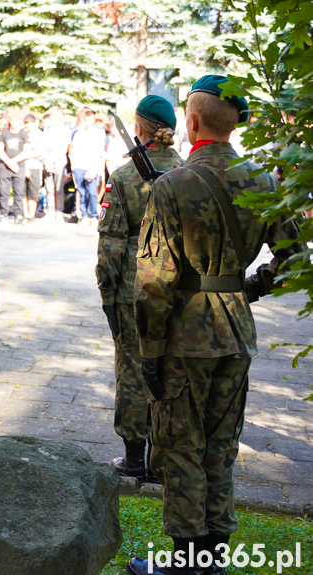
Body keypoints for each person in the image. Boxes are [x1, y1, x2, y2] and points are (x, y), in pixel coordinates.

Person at [128, 76, 302, 575]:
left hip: (185, 338)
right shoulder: (266, 182)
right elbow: (295, 260)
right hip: (237, 334)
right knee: (221, 446)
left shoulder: (172, 185)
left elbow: (155, 283)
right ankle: (213, 562)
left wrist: (149, 352)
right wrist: (245, 288)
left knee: (182, 449)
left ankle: (186, 567)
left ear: (193, 120)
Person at [95, 96, 184, 486]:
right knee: (169, 367)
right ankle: (164, 457)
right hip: (177, 287)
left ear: (140, 128)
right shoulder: (188, 172)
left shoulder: (124, 175)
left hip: (133, 290)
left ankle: (134, 459)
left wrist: (106, 292)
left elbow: (111, 242)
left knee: (133, 369)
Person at [0, 107, 36, 224]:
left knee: (18, 192)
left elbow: (26, 151)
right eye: (12, 120)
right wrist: (9, 162)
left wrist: (14, 162)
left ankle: (19, 214)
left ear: (20, 121)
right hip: (4, 168)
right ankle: (4, 214)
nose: (14, 123)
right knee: (3, 192)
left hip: (19, 167)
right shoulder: (4, 133)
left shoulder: (23, 134)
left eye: (16, 121)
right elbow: (0, 150)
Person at [68, 108, 105, 225]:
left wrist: (95, 168)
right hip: (79, 166)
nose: (88, 123)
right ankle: (84, 215)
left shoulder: (97, 134)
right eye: (86, 120)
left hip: (91, 167)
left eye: (90, 120)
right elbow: (73, 150)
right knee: (81, 191)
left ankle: (93, 215)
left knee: (92, 193)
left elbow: (99, 152)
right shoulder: (78, 134)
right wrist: (73, 165)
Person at [22, 113, 45, 222]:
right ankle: (25, 214)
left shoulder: (39, 135)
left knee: (33, 191)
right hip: (22, 166)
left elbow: (40, 152)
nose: (28, 126)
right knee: (22, 191)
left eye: (30, 124)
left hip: (35, 166)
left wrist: (26, 156)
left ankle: (31, 215)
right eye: (26, 124)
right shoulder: (22, 134)